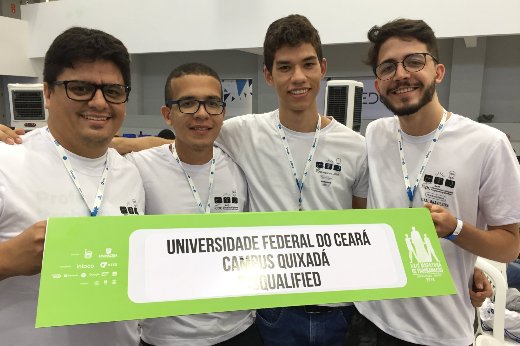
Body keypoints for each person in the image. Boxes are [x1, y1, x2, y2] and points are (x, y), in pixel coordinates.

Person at [345, 19, 520, 346]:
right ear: (378, 84)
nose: (400, 74)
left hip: (440, 332)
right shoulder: (376, 134)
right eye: (387, 67)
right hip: (370, 319)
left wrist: (456, 230)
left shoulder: (488, 144)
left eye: (413, 61)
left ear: (437, 71)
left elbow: (510, 244)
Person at [212, 15, 368, 346]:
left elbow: (363, 224)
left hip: (340, 306)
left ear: (322, 67)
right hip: (274, 307)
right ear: (268, 75)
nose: (298, 77)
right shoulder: (243, 133)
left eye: (307, 64)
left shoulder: (355, 145)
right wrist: (117, 143)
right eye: (284, 67)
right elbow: (186, 140)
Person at [0, 27, 144, 345]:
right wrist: (8, 258)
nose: (99, 102)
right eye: (80, 88)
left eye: (114, 91)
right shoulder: (6, 162)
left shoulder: (130, 173)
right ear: (48, 94)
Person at [125, 62, 262, 346]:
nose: (202, 113)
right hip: (165, 337)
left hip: (239, 330)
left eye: (212, 103)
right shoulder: (136, 167)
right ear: (167, 114)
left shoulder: (242, 165)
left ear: (223, 112)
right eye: (188, 103)